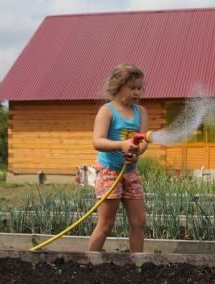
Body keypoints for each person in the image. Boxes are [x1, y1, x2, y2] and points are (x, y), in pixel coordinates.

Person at [88, 64, 149, 252]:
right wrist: (122, 145)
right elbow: (97, 141)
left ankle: (137, 263)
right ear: (118, 86)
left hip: (130, 172)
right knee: (106, 224)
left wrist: (137, 151)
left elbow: (144, 140)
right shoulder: (107, 111)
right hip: (109, 173)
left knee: (139, 222)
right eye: (133, 88)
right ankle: (89, 262)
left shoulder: (141, 112)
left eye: (140, 88)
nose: (137, 92)